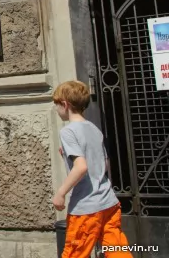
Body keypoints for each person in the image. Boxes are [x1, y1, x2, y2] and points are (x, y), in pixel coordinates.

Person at [52, 80, 132, 258]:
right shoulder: (94, 129)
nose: (56, 109)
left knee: (74, 253)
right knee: (117, 249)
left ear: (65, 104)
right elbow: (104, 163)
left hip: (86, 207)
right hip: (108, 202)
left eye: (56, 104)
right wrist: (66, 155)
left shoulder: (68, 131)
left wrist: (61, 193)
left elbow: (81, 167)